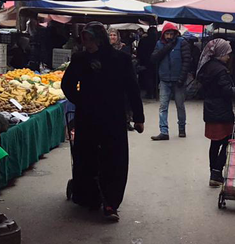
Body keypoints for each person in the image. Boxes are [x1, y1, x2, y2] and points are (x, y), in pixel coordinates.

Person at [61, 22, 145, 222]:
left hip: (113, 117)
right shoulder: (80, 59)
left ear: (99, 39)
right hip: (87, 117)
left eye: (89, 39)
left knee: (113, 159)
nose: (86, 43)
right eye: (84, 40)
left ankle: (110, 203)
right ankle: (89, 197)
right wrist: (81, 100)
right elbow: (67, 84)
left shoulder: (121, 59)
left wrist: (139, 117)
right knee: (86, 156)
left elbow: (132, 89)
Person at [196, 38, 235, 187]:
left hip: (210, 109)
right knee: (228, 141)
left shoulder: (206, 67)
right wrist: (234, 91)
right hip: (222, 110)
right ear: (220, 53)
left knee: (214, 143)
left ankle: (212, 173)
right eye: (227, 53)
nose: (228, 56)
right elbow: (226, 90)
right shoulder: (221, 70)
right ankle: (217, 171)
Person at [150, 23, 192, 140]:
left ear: (175, 34)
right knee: (163, 106)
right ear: (163, 34)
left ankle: (182, 129)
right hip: (164, 79)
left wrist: (181, 78)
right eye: (167, 34)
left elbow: (187, 61)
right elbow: (153, 59)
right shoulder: (159, 44)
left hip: (178, 80)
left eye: (171, 34)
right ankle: (164, 131)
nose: (169, 36)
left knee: (180, 105)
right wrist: (167, 47)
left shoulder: (182, 43)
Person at [137, 27, 158, 99]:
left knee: (148, 78)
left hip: (146, 62)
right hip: (156, 63)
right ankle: (155, 92)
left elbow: (139, 52)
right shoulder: (158, 41)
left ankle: (150, 93)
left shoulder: (143, 40)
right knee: (155, 77)